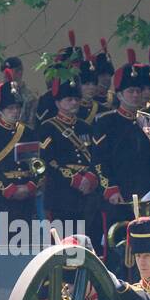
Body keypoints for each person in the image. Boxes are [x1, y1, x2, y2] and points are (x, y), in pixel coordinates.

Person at [92, 49, 150, 268]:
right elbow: (99, 160)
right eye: (130, 91)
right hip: (118, 197)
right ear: (120, 94)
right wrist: (110, 188)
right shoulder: (105, 122)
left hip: (146, 197)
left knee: (146, 247)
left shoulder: (149, 122)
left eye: (138, 91)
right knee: (117, 249)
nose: (135, 95)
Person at [40, 72, 106, 244]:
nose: (74, 102)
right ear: (57, 103)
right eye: (69, 99)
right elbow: (47, 160)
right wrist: (75, 179)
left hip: (87, 197)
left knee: (86, 243)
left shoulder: (86, 127)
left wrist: (91, 176)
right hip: (61, 195)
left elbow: (96, 156)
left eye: (76, 99)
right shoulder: (48, 128)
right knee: (62, 245)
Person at [0, 71, 41, 235]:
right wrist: (7, 188)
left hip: (27, 195)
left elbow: (36, 163)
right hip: (1, 197)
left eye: (17, 107)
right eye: (10, 108)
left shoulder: (28, 132)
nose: (15, 112)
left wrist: (32, 184)